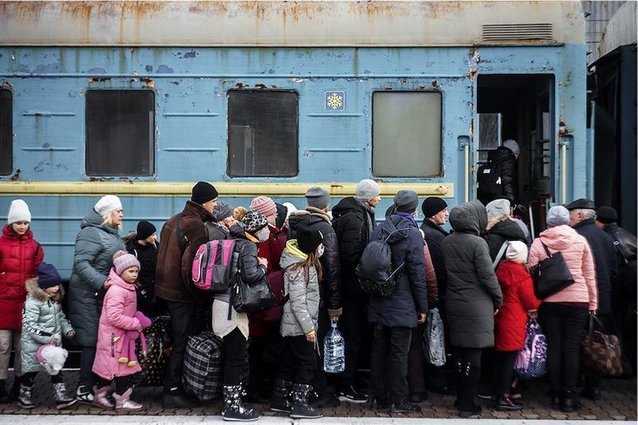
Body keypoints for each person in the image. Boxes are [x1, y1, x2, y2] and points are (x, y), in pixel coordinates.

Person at [155, 181, 218, 408]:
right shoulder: (195, 226)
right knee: (183, 341)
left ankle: (172, 385)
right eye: (213, 201)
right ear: (205, 202)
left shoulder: (173, 221)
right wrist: (199, 296)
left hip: (165, 290)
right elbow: (192, 268)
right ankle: (172, 390)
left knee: (176, 339)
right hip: (182, 295)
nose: (215, 205)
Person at [528, 205, 597, 412]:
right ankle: (569, 396)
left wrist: (533, 305)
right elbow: (589, 274)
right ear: (568, 220)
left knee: (555, 347)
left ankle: (555, 392)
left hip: (550, 301)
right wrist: (593, 303)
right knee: (572, 348)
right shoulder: (580, 240)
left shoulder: (540, 242)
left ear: (548, 222)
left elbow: (531, 274)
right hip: (578, 300)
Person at [368, 190, 428, 413]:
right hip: (403, 303)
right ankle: (398, 399)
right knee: (399, 354)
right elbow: (417, 274)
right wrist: (423, 307)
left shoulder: (379, 229)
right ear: (414, 209)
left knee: (379, 351)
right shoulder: (412, 234)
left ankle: (378, 396)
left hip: (379, 297)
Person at [442, 200, 502, 419]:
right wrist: (498, 299)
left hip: (454, 302)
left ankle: (461, 396)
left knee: (459, 352)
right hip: (477, 304)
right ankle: (467, 404)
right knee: (474, 355)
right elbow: (487, 276)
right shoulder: (478, 243)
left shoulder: (447, 241)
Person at [68, 195, 125, 404]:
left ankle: (95, 386)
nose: (121, 214)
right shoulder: (91, 233)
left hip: (100, 295)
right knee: (90, 341)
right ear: (108, 213)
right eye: (118, 210)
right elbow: (81, 263)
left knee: (100, 341)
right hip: (87, 295)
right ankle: (84, 387)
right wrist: (103, 282)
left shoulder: (112, 235)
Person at [212, 208, 267, 422]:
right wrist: (262, 266)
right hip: (232, 308)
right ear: (256, 229)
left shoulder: (231, 240)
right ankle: (232, 407)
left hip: (221, 303)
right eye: (264, 228)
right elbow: (251, 276)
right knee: (235, 358)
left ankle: (233, 402)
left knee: (232, 356)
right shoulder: (248, 246)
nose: (267, 232)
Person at [288, 187, 342, 406]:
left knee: (304, 347)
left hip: (300, 292)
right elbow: (332, 268)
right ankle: (317, 393)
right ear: (326, 205)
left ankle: (302, 390)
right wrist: (335, 306)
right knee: (316, 346)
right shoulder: (325, 230)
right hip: (317, 296)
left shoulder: (298, 225)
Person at [331, 178, 381, 403]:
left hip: (350, 286)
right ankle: (345, 385)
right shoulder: (356, 218)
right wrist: (364, 273)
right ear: (368, 197)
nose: (379, 199)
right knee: (353, 335)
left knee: (353, 335)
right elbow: (351, 255)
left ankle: (347, 379)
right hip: (353, 287)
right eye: (377, 195)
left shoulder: (354, 214)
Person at [566, 198, 617, 400]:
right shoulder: (606, 238)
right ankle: (593, 386)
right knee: (596, 342)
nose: (569, 219)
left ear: (579, 215)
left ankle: (574, 382)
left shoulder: (576, 236)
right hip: (602, 299)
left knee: (576, 342)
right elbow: (614, 270)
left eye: (571, 214)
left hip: (580, 297)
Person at [275, 225, 325, 419]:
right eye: (319, 245)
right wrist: (309, 329)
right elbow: (298, 303)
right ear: (312, 248)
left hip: (292, 325)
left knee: (288, 360)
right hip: (299, 325)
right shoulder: (300, 268)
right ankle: (299, 403)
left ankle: (280, 399)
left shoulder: (299, 264)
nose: (322, 248)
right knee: (307, 362)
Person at [92, 251, 151, 411]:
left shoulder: (124, 287)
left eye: (136, 271)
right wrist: (135, 323)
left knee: (111, 368)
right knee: (122, 370)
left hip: (116, 337)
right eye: (130, 271)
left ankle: (101, 395)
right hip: (115, 339)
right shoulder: (117, 291)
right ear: (120, 271)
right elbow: (114, 316)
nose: (134, 275)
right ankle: (122, 401)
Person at [0, 199, 43, 403]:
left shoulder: (34, 247)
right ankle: (1, 383)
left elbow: (37, 272)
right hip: (4, 302)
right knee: (2, 346)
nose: (22, 226)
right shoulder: (1, 245)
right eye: (19, 222)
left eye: (26, 222)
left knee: (22, 347)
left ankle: (18, 384)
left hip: (25, 305)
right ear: (11, 223)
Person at [246, 196, 288, 402]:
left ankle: (258, 386)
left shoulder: (254, 235)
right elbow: (272, 266)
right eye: (272, 214)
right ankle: (258, 389)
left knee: (258, 346)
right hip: (264, 300)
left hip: (259, 300)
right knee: (263, 347)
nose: (275, 217)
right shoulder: (265, 237)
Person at [18, 263, 75, 410]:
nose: (56, 288)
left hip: (52, 344)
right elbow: (29, 325)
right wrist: (47, 337)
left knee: (56, 369)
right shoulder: (32, 303)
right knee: (31, 371)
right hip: (34, 345)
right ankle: (24, 396)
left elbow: (61, 317)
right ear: (43, 286)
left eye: (57, 284)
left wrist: (67, 329)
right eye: (52, 285)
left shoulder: (54, 300)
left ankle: (60, 397)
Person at [492, 241, 540, 410]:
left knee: (500, 359)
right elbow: (530, 302)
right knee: (509, 361)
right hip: (514, 321)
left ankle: (497, 393)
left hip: (501, 319)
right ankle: (503, 397)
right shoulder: (522, 276)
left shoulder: (500, 270)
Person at [596, 206, 637, 374]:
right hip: (632, 288)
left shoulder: (606, 238)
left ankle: (621, 365)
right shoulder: (628, 235)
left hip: (619, 288)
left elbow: (611, 268)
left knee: (615, 327)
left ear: (601, 221)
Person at [419, 196, 451, 394]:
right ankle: (437, 381)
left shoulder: (428, 232)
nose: (446, 214)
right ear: (434, 213)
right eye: (443, 210)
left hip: (432, 296)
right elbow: (440, 270)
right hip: (437, 297)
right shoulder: (435, 237)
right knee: (436, 339)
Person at [125, 220, 164, 318]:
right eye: (153, 235)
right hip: (142, 293)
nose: (155, 237)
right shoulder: (132, 251)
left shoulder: (155, 246)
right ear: (144, 236)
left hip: (156, 291)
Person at [477, 139, 519, 205]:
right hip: (501, 199)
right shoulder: (508, 159)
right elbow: (507, 180)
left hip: (487, 199)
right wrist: (511, 201)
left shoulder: (493, 157)